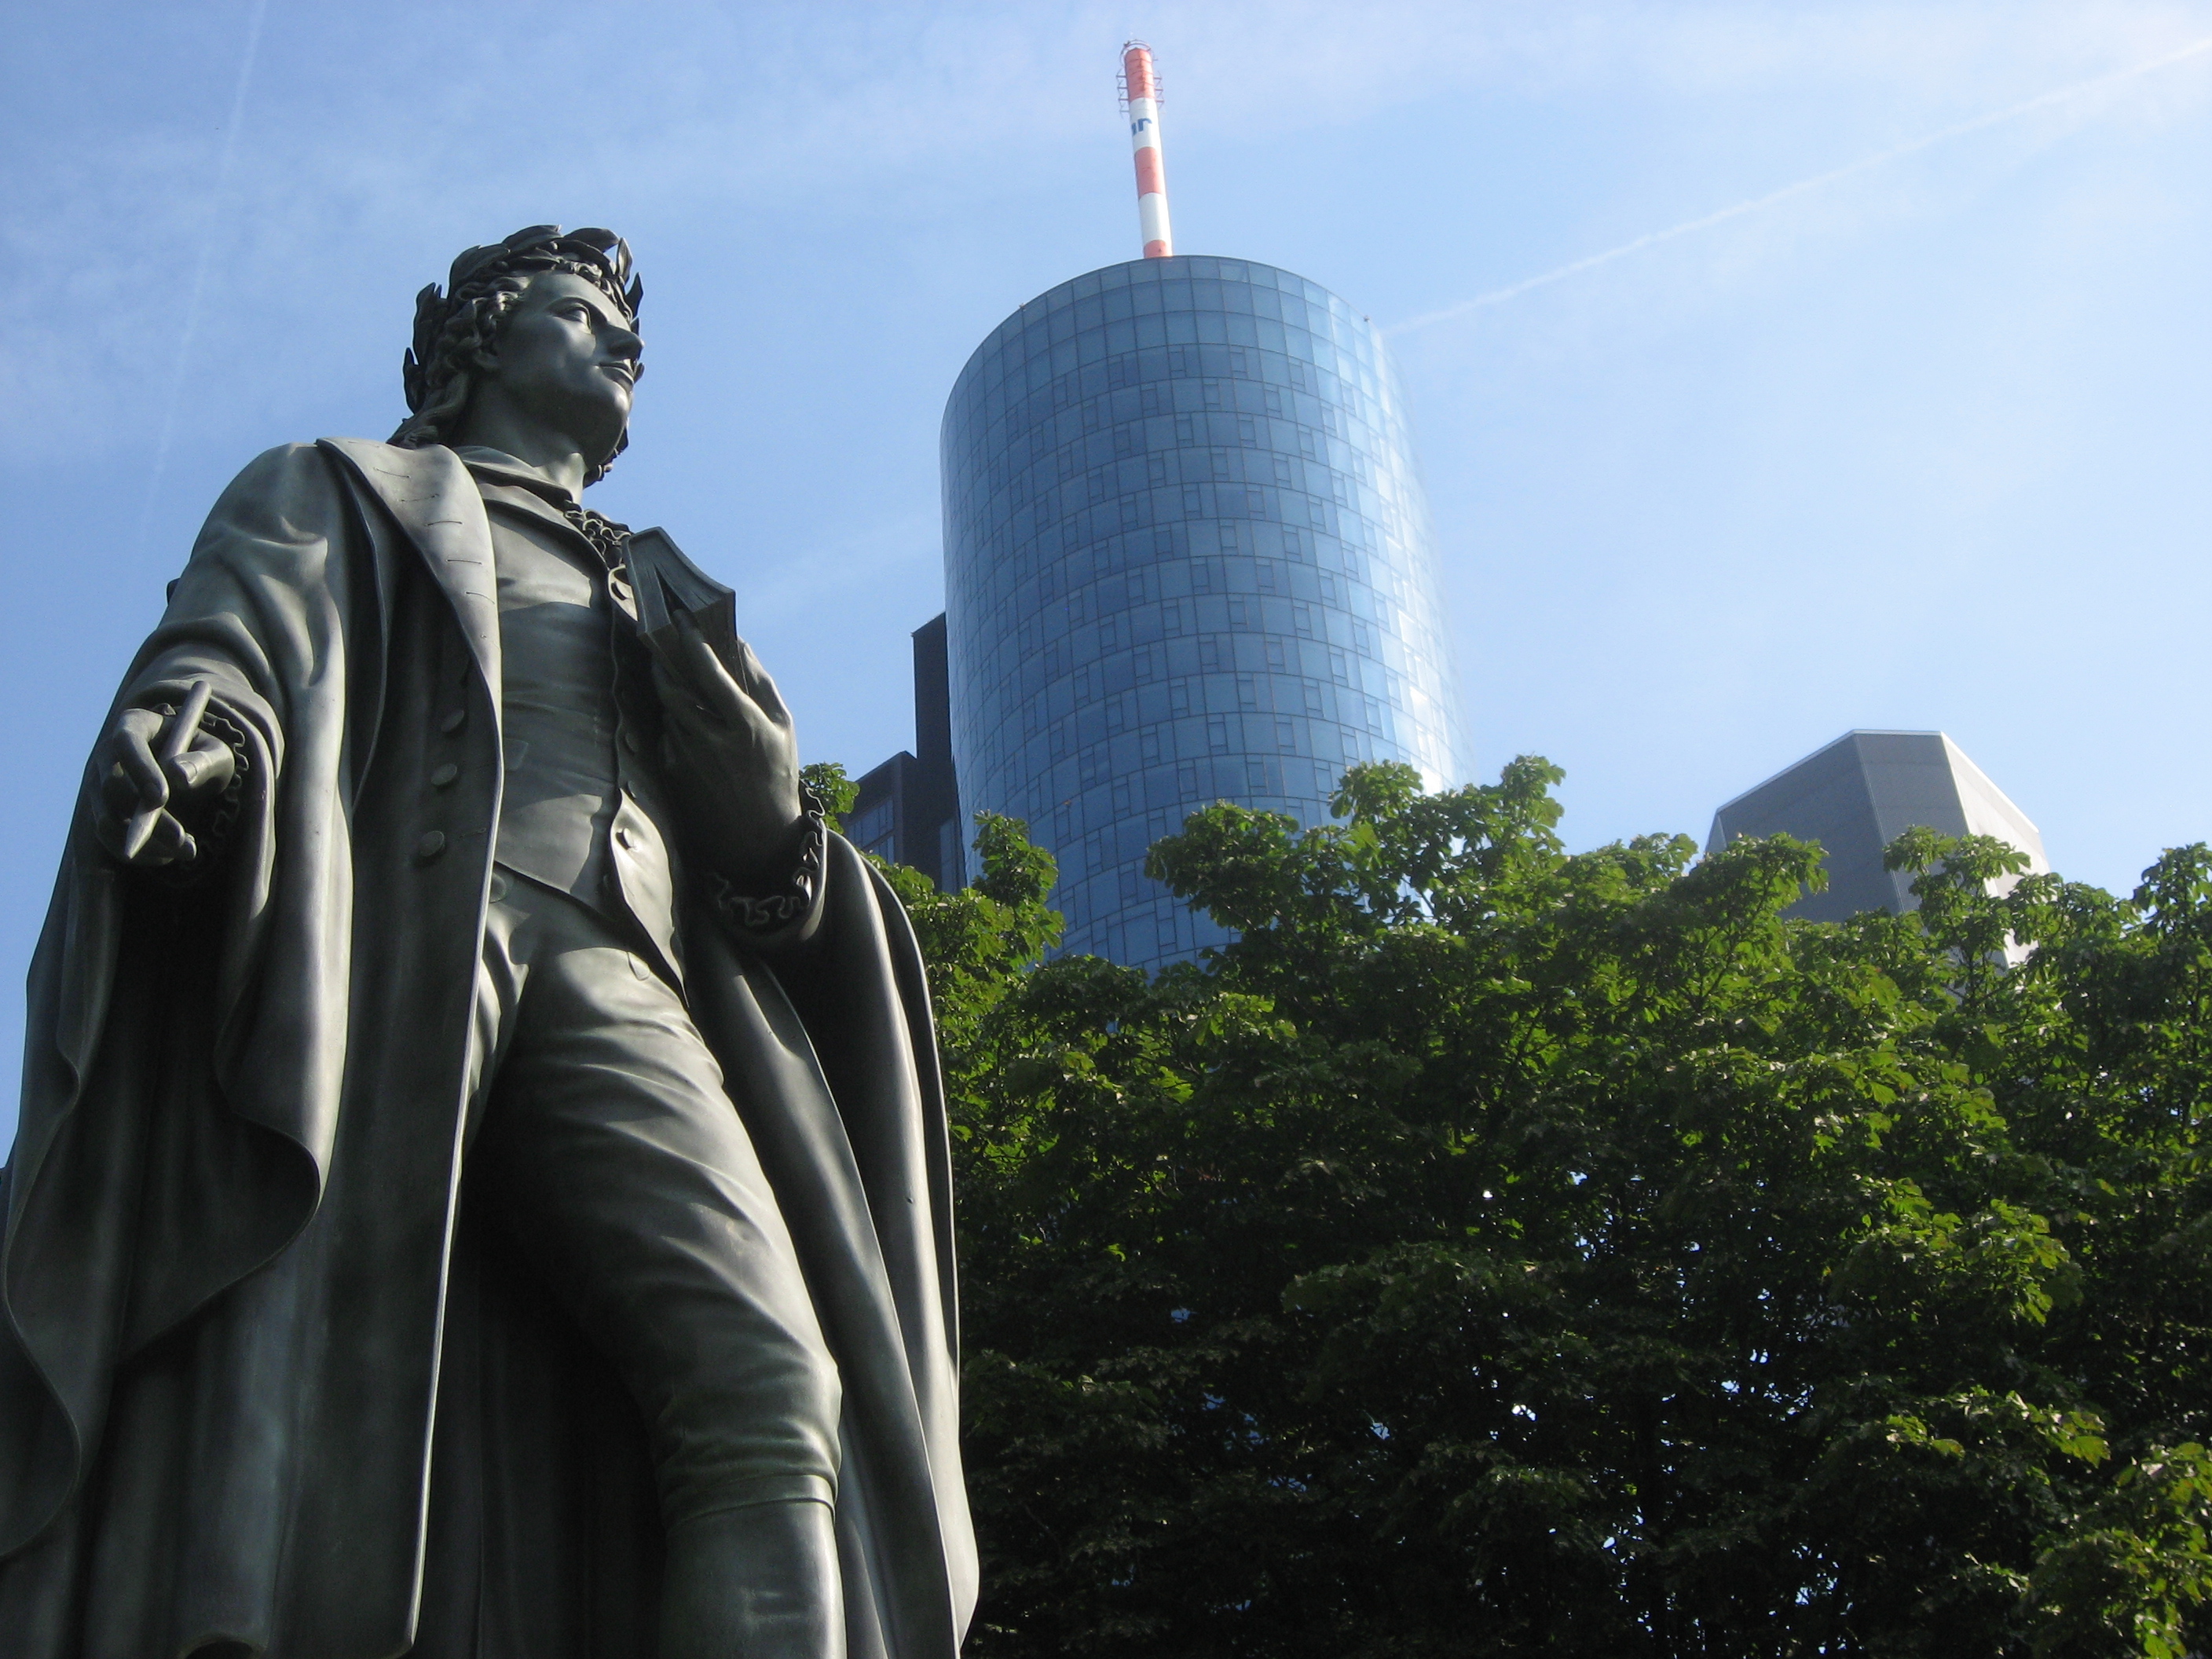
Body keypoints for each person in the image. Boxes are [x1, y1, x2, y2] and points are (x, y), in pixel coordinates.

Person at [0, 226, 973, 1659]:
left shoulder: (670, 593)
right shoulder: (340, 487)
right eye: (579, 314)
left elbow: (780, 891)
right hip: (397, 943)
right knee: (317, 1369)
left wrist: (779, 834)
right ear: (476, 345)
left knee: (775, 1390)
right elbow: (233, 645)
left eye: (629, 331)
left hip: (622, 976)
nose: (621, 343)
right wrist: (192, 739)